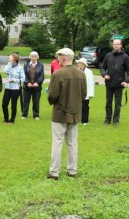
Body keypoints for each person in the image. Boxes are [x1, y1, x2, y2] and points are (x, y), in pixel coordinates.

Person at [47, 48, 86, 180]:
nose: (57, 59)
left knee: (57, 143)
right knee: (72, 143)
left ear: (63, 58)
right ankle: (72, 171)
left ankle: (54, 172)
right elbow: (84, 94)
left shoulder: (58, 74)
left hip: (60, 113)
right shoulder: (81, 74)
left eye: (58, 56)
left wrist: (51, 99)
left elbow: (52, 95)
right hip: (75, 113)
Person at [100, 40, 129, 126]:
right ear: (113, 45)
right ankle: (107, 119)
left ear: (121, 45)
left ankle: (116, 120)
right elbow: (102, 67)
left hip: (119, 84)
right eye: (114, 44)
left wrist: (126, 81)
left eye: (118, 44)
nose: (116, 46)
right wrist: (104, 75)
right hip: (109, 83)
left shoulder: (125, 57)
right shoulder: (108, 56)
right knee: (108, 103)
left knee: (118, 104)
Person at [2, 53, 25, 124]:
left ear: (14, 58)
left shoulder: (20, 68)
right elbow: (5, 71)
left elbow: (23, 79)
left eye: (10, 57)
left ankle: (12, 120)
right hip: (8, 87)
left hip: (16, 89)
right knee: (4, 104)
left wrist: (14, 80)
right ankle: (6, 119)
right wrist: (10, 64)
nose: (9, 58)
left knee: (13, 105)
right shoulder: (8, 66)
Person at [22, 51, 44, 120]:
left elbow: (42, 76)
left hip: (37, 87)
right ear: (30, 57)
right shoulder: (26, 64)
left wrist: (37, 83)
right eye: (32, 56)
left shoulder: (41, 65)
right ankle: (24, 115)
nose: (34, 58)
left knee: (36, 101)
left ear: (37, 57)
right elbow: (24, 75)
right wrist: (27, 82)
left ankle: (36, 115)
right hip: (27, 87)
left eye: (35, 57)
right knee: (26, 101)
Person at [76, 58, 95, 125]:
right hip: (78, 91)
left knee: (85, 106)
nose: (78, 64)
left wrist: (90, 93)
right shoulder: (76, 71)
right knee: (77, 106)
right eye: (78, 63)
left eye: (80, 63)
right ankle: (78, 119)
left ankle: (85, 120)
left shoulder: (89, 72)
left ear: (84, 64)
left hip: (85, 91)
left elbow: (91, 83)